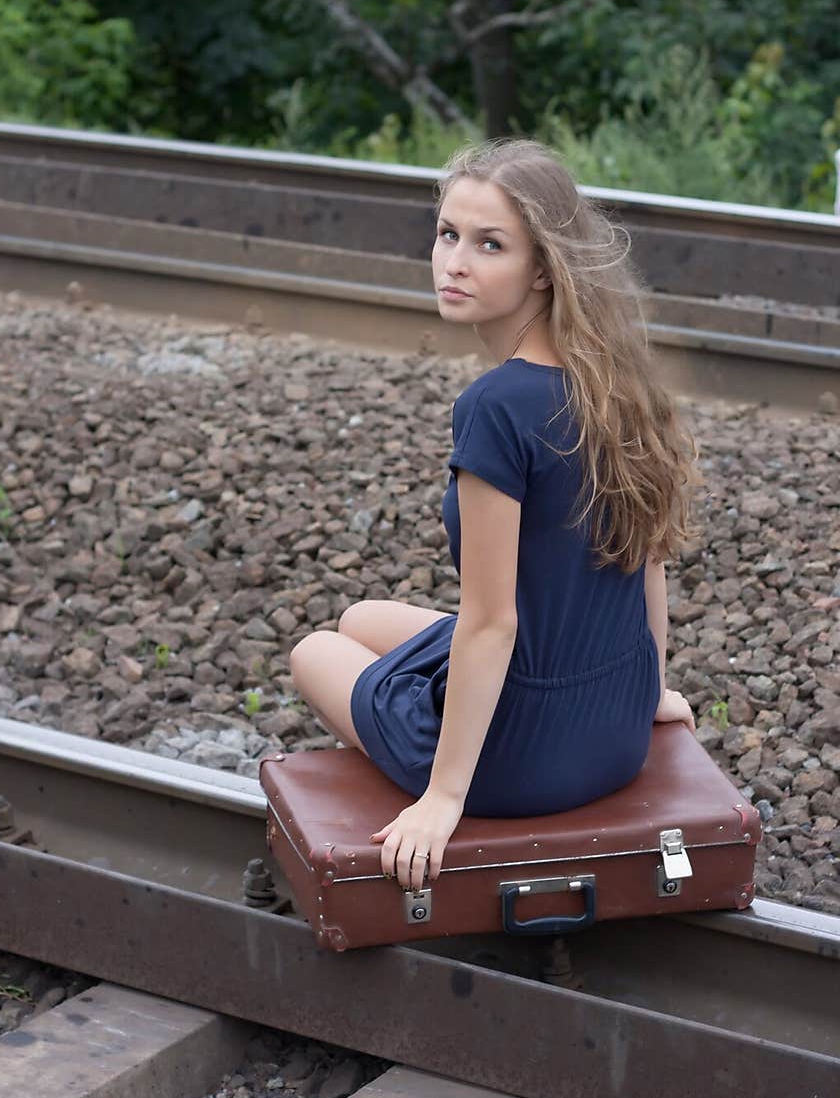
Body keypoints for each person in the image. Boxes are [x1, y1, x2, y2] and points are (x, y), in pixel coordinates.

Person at [289, 138, 704, 896]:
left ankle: (447, 756)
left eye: (490, 245)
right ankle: (466, 706)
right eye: (448, 234)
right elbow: (649, 563)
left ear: (543, 268)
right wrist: (647, 693)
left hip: (518, 760)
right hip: (614, 734)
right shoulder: (613, 381)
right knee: (364, 617)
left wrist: (444, 799)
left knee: (316, 649)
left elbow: (491, 623)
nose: (455, 262)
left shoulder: (496, 408)